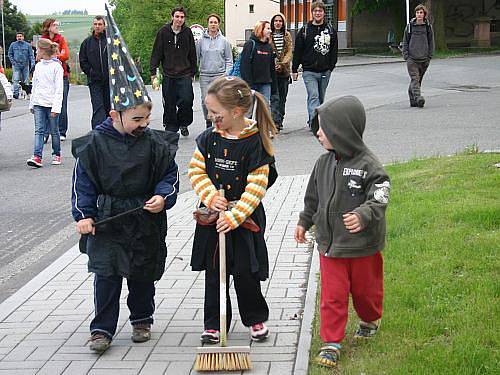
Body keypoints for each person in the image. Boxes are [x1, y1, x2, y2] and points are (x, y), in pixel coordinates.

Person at [71, 6, 179, 353]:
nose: (144, 124)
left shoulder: (154, 143)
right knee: (106, 276)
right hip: (109, 217)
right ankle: (102, 328)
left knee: (142, 272)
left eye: (147, 117)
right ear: (115, 114)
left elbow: (169, 176)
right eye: (137, 118)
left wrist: (163, 196)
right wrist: (84, 215)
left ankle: (141, 318)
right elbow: (83, 184)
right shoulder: (94, 145)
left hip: (144, 217)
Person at [294, 96, 390, 368]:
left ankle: (370, 319)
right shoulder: (323, 164)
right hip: (330, 245)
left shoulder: (369, 165)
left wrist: (364, 214)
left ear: (343, 131)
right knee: (332, 295)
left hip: (362, 247)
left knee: (365, 292)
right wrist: (304, 221)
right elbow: (312, 198)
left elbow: (380, 196)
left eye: (324, 128)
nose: (318, 133)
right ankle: (331, 342)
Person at [188, 76, 278, 344]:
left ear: (237, 112)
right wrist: (210, 196)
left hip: (244, 219)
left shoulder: (256, 143)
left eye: (215, 112)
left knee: (245, 273)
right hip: (213, 219)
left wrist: (235, 216)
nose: (210, 116)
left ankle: (255, 318)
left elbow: (258, 186)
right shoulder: (208, 139)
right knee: (215, 275)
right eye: (208, 110)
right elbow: (195, 170)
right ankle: (214, 324)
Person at [150, 6, 197, 137]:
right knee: (169, 102)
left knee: (187, 100)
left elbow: (192, 53)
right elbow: (156, 53)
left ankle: (184, 123)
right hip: (168, 74)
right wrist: (153, 72)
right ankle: (171, 126)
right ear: (172, 17)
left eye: (182, 17)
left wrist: (193, 71)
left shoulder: (187, 32)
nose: (179, 19)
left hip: (185, 73)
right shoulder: (163, 32)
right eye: (177, 16)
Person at [292, 1, 338, 132]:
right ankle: (315, 125)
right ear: (312, 13)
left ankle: (314, 119)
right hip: (309, 71)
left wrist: (331, 66)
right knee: (313, 95)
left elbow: (334, 50)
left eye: (320, 11)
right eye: (315, 11)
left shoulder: (330, 30)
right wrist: (294, 69)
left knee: (320, 97)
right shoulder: (305, 30)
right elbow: (298, 51)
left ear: (324, 13)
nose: (318, 13)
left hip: (325, 70)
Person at [27, 39, 64, 168]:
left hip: (51, 104)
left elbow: (59, 89)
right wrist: (32, 104)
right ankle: (37, 156)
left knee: (54, 131)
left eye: (38, 49)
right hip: (39, 103)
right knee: (39, 131)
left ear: (43, 50)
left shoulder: (56, 67)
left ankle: (56, 153)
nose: (36, 51)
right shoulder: (38, 66)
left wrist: (56, 107)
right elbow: (35, 86)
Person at [196, 13, 233, 128]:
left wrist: (226, 74)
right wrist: (193, 72)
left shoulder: (224, 41)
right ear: (207, 24)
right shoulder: (200, 41)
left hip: (220, 75)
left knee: (219, 101)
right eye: (211, 22)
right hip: (205, 75)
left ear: (218, 24)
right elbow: (196, 58)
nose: (213, 24)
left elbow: (229, 60)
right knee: (205, 101)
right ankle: (208, 121)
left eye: (215, 22)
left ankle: (219, 122)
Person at [79, 15, 111, 128]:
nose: (97, 26)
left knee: (109, 108)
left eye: (100, 24)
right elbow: (83, 61)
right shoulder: (87, 43)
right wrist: (92, 73)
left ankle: (110, 133)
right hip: (94, 81)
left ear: (104, 26)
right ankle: (97, 134)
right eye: (95, 24)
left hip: (109, 82)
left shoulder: (110, 42)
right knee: (98, 108)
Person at [42, 18, 70, 140]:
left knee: (61, 104)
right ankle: (46, 131)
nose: (56, 26)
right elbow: (40, 55)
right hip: (47, 76)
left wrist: (53, 56)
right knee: (46, 104)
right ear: (48, 27)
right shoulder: (43, 40)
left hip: (61, 75)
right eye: (54, 25)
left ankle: (61, 130)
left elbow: (66, 54)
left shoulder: (61, 39)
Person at [402, 4, 434, 108]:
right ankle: (419, 98)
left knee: (417, 80)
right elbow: (405, 41)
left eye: (421, 13)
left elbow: (431, 42)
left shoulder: (428, 27)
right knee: (415, 79)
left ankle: (413, 100)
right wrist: (406, 55)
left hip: (424, 59)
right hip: (412, 59)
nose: (419, 14)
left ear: (424, 14)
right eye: (417, 12)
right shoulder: (410, 26)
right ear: (415, 14)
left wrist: (429, 56)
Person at [240, 21, 276, 105]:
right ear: (260, 30)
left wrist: (274, 88)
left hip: (265, 84)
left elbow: (271, 68)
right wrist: (248, 85)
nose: (270, 31)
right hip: (252, 84)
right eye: (268, 28)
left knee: (264, 110)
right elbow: (244, 66)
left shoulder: (269, 47)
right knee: (249, 110)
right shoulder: (250, 44)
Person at [269, 13, 293, 131]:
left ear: (283, 23)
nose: (278, 23)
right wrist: (274, 64)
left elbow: (289, 51)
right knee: (274, 98)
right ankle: (275, 122)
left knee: (282, 98)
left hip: (284, 72)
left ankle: (280, 119)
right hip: (272, 72)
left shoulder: (286, 35)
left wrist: (282, 64)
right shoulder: (269, 35)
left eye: (280, 21)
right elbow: (267, 51)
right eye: (276, 21)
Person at [7, 32, 35, 99]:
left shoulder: (28, 45)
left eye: (20, 36)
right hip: (16, 64)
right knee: (16, 79)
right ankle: (15, 94)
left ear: (23, 37)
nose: (19, 37)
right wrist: (13, 62)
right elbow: (10, 54)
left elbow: (31, 55)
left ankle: (28, 93)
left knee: (26, 80)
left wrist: (32, 63)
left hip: (25, 64)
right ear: (16, 37)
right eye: (18, 36)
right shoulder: (13, 45)